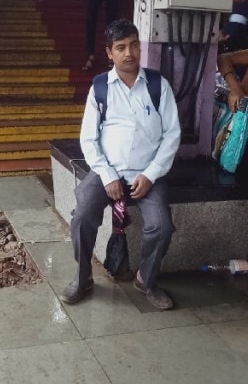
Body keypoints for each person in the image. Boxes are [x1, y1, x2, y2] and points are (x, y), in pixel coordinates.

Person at [61, 19, 180, 311]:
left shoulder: (157, 85)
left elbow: (172, 135)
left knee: (162, 226)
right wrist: (107, 175)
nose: (129, 53)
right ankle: (83, 277)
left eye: (134, 45)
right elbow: (88, 140)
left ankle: (146, 280)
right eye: (121, 47)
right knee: (82, 216)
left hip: (147, 175)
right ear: (109, 53)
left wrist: (151, 175)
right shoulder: (100, 88)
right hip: (107, 172)